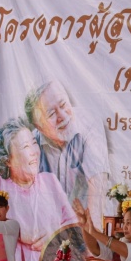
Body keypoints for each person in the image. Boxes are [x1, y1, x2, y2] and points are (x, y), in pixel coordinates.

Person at [0, 117, 78, 261]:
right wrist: (20, 232)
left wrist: (53, 235)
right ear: (7, 160)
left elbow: (73, 227)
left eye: (34, 143)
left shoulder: (50, 181)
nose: (35, 152)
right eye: (26, 147)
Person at [24, 81, 108, 216]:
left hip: (85, 220)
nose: (62, 116)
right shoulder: (31, 144)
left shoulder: (89, 123)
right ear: (39, 127)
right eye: (51, 114)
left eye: (63, 105)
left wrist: (92, 227)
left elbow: (97, 185)